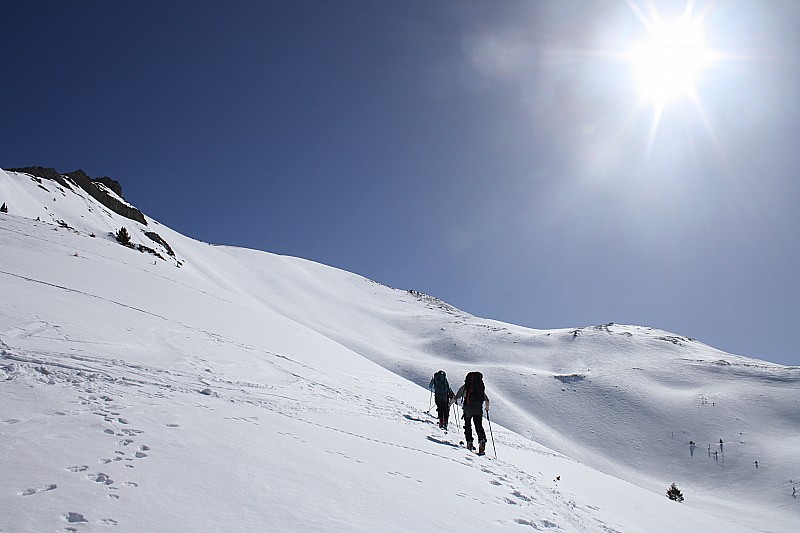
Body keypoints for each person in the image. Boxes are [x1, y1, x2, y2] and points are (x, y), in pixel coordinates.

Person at [450, 371, 490, 454]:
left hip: (468, 408)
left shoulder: (465, 387)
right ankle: (482, 440)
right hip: (478, 409)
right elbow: (487, 400)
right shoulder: (480, 388)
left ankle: (469, 442)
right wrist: (487, 408)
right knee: (478, 426)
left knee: (468, 425)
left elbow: (456, 397)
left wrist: (449, 405)